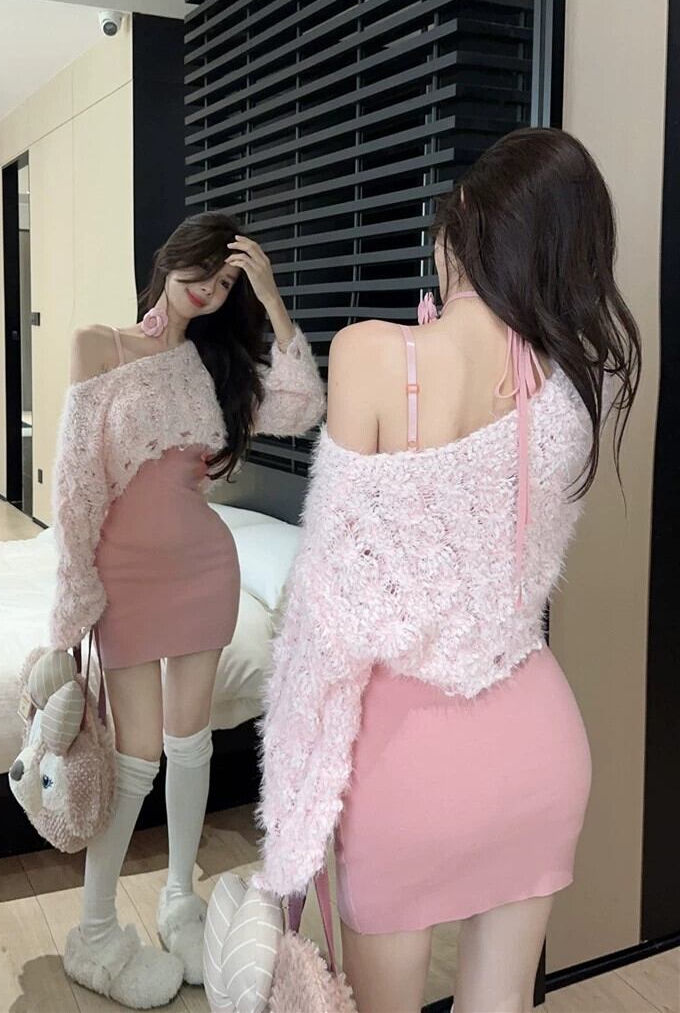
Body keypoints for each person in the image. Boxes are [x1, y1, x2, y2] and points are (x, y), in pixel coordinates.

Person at [251, 127, 641, 1013]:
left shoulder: (372, 354)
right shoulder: (573, 391)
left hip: (407, 768)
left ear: (465, 224)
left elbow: (326, 617)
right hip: (540, 750)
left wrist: (293, 825)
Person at [49, 211, 327, 1008]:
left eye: (227, 280)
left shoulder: (216, 367)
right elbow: (74, 484)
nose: (210, 288)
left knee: (190, 742)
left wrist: (270, 298)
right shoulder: (99, 345)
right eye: (203, 269)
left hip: (205, 569)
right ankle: (94, 929)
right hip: (125, 578)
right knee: (135, 759)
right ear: (170, 261)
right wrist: (71, 601)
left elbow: (303, 405)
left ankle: (180, 898)